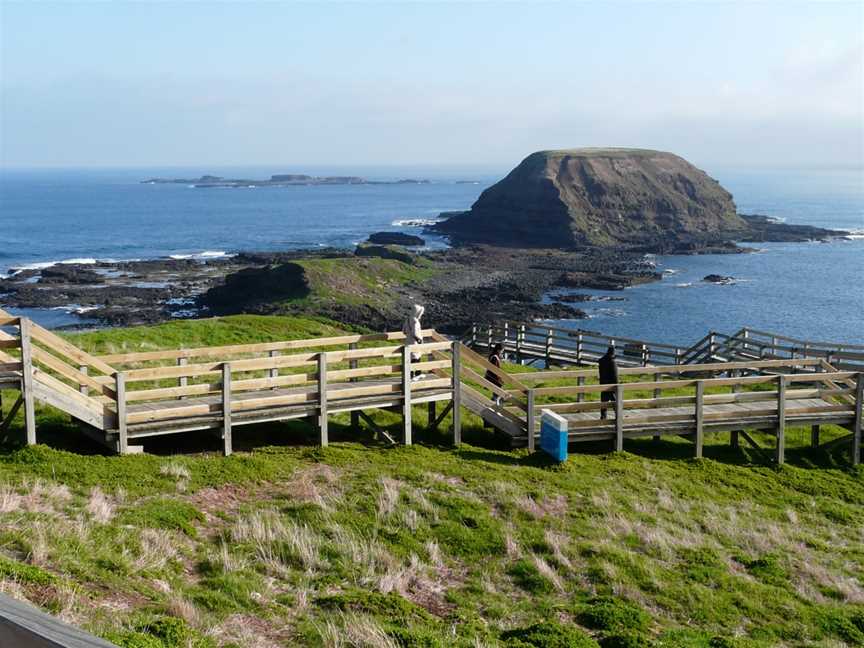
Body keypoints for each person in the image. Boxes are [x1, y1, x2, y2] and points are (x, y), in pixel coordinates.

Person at [403, 304, 425, 380]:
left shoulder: (408, 319)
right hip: (415, 342)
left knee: (410, 358)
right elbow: (415, 333)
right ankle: (417, 374)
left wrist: (408, 335)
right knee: (416, 358)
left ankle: (410, 375)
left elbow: (404, 331)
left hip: (408, 341)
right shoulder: (416, 322)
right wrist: (419, 339)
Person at [598, 345, 619, 420]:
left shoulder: (602, 361)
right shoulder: (612, 362)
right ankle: (618, 416)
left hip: (603, 383)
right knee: (616, 402)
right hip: (611, 385)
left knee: (604, 402)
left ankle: (603, 417)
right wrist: (617, 385)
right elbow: (615, 375)